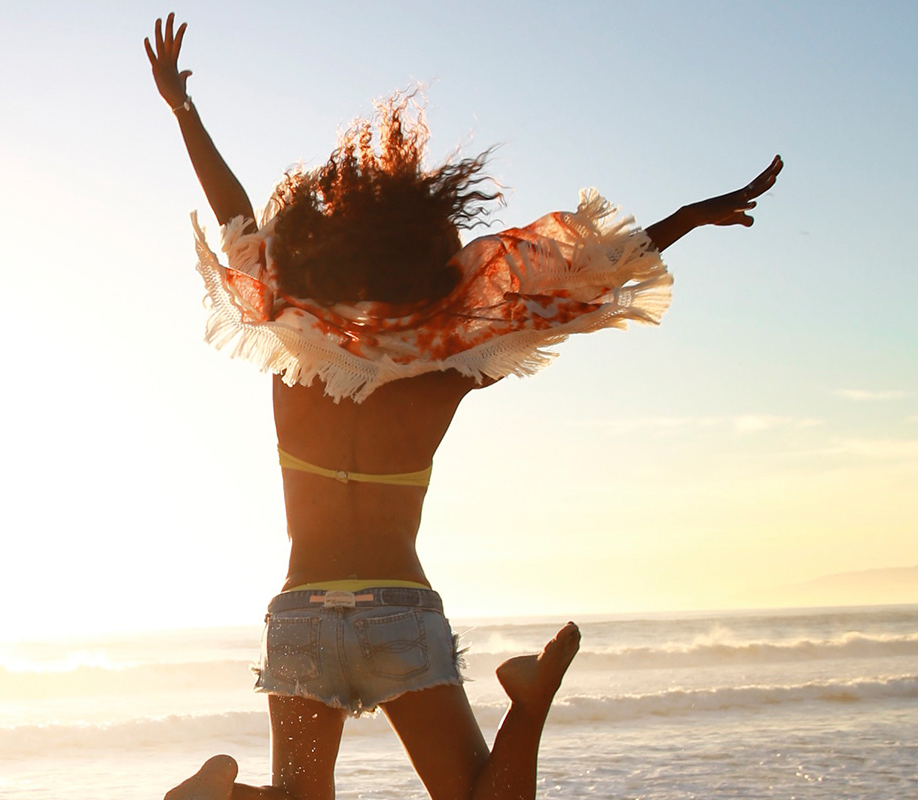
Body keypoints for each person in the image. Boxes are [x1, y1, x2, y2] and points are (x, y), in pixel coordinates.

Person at [143, 14, 781, 800]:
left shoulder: (294, 343)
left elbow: (237, 221)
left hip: (301, 611)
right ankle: (531, 697)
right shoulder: (443, 373)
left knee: (297, 799)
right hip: (397, 611)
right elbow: (574, 293)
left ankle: (224, 796)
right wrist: (683, 220)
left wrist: (183, 110)